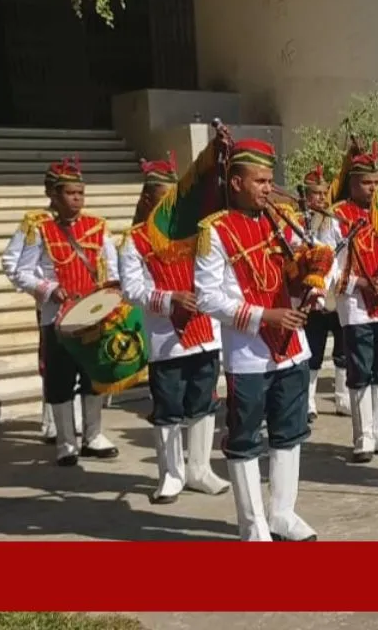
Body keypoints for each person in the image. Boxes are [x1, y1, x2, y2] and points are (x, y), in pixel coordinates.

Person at [195, 137, 324, 541]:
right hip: (248, 353)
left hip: (291, 348)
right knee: (246, 436)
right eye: (260, 181)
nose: (269, 188)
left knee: (289, 431)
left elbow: (303, 270)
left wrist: (313, 289)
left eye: (270, 180)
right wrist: (264, 315)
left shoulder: (282, 219)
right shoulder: (213, 230)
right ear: (235, 183)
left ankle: (282, 513)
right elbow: (207, 297)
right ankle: (252, 525)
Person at [119, 158, 229, 503]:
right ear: (148, 200)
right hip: (167, 339)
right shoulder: (133, 240)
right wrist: (170, 299)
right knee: (168, 407)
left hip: (206, 333)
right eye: (163, 198)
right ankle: (170, 474)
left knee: (204, 403)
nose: (171, 206)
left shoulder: (199, 234)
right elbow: (131, 290)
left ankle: (199, 470)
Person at [11, 157, 121, 467]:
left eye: (81, 193)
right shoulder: (40, 228)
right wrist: (49, 290)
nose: (77, 199)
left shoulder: (98, 226)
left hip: (93, 314)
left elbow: (112, 267)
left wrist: (111, 294)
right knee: (60, 379)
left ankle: (94, 435)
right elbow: (22, 272)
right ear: (55, 196)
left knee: (93, 375)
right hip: (56, 317)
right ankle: (65, 441)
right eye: (71, 193)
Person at [323, 139, 378, 463]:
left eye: (377, 182)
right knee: (360, 370)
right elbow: (324, 266)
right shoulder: (335, 216)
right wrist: (362, 282)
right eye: (366, 182)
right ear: (352, 183)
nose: (373, 188)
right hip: (357, 306)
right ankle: (363, 436)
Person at [2, 175, 82, 444]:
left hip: (81, 300)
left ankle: (80, 422)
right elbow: (12, 263)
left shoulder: (85, 222)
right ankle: (52, 423)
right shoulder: (35, 224)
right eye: (65, 190)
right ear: (50, 191)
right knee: (51, 362)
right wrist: (43, 289)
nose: (75, 198)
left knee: (84, 360)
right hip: (51, 302)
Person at [299, 165, 347, 422]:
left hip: (335, 289)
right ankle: (308, 402)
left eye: (323, 193)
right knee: (314, 350)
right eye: (315, 193)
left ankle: (342, 399)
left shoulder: (333, 219)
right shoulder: (297, 220)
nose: (320, 198)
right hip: (313, 293)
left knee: (342, 349)